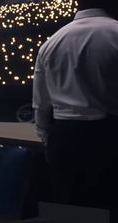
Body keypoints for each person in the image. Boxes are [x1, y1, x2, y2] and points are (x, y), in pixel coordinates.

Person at [33, 0, 118, 207]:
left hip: (64, 137)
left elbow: (40, 103)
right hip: (110, 135)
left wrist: (46, 138)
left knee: (70, 208)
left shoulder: (51, 42)